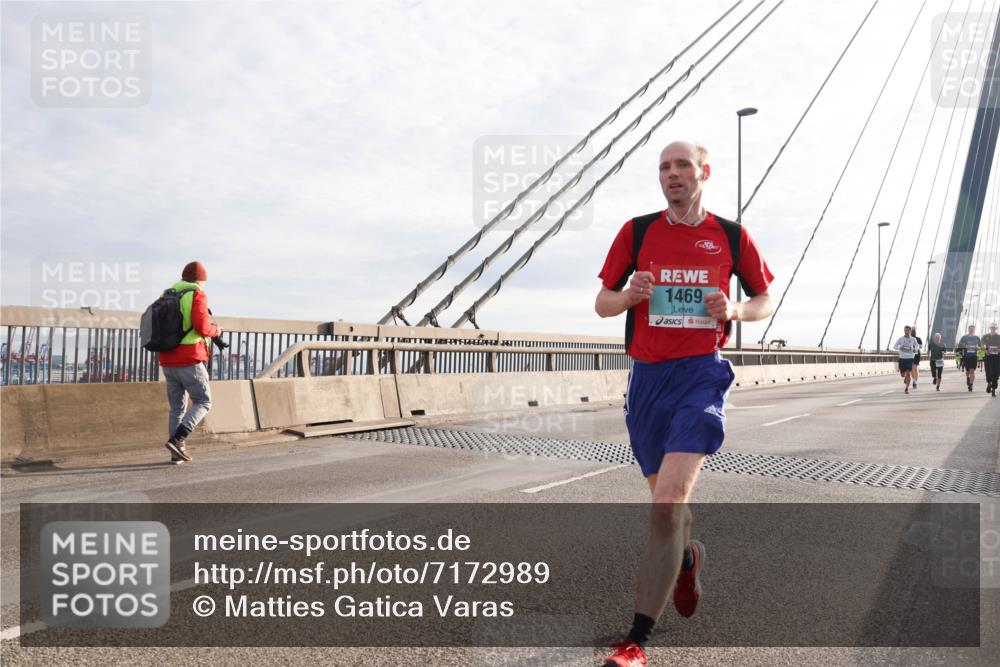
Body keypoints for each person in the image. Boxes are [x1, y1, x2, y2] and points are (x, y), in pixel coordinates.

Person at [595, 141, 774, 667]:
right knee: (667, 508)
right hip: (649, 381)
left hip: (701, 374)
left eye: (682, 167)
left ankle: (635, 642)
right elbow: (602, 302)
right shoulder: (637, 231)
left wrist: (738, 309)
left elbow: (765, 298)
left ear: (703, 173)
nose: (672, 175)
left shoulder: (732, 236)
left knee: (666, 504)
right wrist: (628, 296)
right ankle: (688, 559)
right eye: (664, 168)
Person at [158, 261, 221, 463]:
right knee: (203, 401)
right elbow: (202, 327)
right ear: (201, 280)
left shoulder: (167, 294)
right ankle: (178, 439)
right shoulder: (196, 294)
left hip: (167, 358)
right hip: (190, 358)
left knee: (177, 408)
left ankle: (175, 455)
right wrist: (216, 331)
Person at [892, 325, 919, 394]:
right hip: (902, 358)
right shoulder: (901, 339)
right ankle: (905, 377)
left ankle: (907, 388)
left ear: (910, 331)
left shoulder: (913, 339)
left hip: (910, 358)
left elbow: (917, 347)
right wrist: (900, 347)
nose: (906, 332)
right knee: (903, 374)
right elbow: (895, 346)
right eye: (905, 330)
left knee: (908, 373)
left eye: (907, 330)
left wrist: (914, 349)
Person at [956, 325, 982, 392]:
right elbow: (959, 345)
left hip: (974, 356)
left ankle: (971, 385)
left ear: (974, 330)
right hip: (966, 357)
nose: (971, 330)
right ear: (968, 329)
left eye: (972, 329)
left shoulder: (977, 338)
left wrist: (977, 347)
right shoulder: (964, 337)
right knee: (967, 371)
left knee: (972, 371)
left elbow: (980, 348)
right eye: (970, 329)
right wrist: (965, 346)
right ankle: (967, 378)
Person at [983, 322, 1000, 397]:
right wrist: (985, 350)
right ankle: (989, 383)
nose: (993, 329)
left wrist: (999, 350)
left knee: (996, 373)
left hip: (997, 357)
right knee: (989, 371)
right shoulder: (985, 336)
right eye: (992, 327)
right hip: (988, 356)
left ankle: (993, 389)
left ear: (996, 329)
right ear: (990, 328)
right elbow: (983, 345)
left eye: (994, 328)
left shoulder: (999, 336)